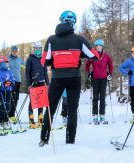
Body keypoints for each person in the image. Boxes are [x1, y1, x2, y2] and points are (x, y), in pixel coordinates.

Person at [39, 10, 99, 147]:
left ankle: (44, 138)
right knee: (72, 110)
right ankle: (70, 140)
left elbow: (44, 61)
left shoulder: (51, 39)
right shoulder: (79, 39)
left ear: (61, 21)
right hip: (74, 77)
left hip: (57, 77)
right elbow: (95, 56)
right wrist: (79, 55)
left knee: (51, 108)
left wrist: (56, 59)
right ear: (73, 23)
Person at [85, 39, 114, 125]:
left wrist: (110, 74)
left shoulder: (106, 56)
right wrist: (88, 73)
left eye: (100, 46)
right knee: (95, 97)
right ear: (96, 47)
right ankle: (94, 116)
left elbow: (111, 66)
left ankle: (102, 115)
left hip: (104, 79)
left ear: (102, 47)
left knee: (102, 98)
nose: (99, 47)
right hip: (95, 78)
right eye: (97, 46)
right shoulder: (92, 56)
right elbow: (87, 66)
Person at [26, 41, 49, 129]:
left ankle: (40, 120)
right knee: (32, 102)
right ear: (34, 49)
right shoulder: (30, 59)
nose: (38, 50)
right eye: (36, 48)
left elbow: (45, 72)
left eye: (39, 48)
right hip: (33, 83)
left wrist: (48, 83)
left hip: (42, 83)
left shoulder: (43, 58)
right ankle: (31, 121)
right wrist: (28, 84)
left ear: (41, 49)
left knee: (41, 102)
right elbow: (27, 72)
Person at [8, 45, 25, 122]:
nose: (14, 52)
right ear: (11, 51)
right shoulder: (8, 59)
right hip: (10, 81)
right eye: (13, 51)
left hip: (18, 81)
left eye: (16, 51)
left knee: (16, 98)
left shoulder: (19, 59)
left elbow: (26, 66)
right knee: (11, 98)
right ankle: (9, 115)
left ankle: (12, 115)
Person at [0, 56, 15, 130]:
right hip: (2, 91)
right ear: (3, 63)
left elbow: (13, 80)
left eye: (8, 62)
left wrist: (10, 83)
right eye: (6, 62)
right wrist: (4, 83)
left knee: (8, 106)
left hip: (8, 90)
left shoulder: (9, 71)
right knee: (3, 106)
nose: (8, 64)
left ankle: (5, 120)